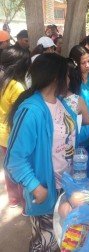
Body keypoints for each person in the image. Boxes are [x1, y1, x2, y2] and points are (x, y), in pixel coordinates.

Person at [5, 53, 77, 251]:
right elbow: (15, 159)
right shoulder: (32, 111)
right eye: (67, 75)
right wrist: (35, 186)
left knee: (62, 238)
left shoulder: (60, 103)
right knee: (45, 243)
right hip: (45, 191)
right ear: (55, 78)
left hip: (64, 185)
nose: (70, 80)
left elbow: (67, 135)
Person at [0, 46, 30, 210]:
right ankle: (26, 204)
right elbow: (21, 116)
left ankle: (13, 200)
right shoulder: (16, 87)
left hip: (2, 135)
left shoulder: (3, 82)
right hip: (15, 134)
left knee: (9, 167)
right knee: (21, 168)